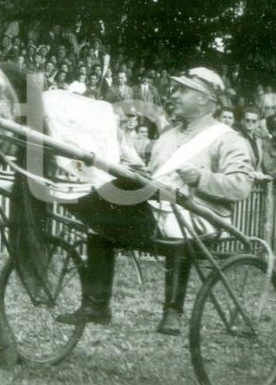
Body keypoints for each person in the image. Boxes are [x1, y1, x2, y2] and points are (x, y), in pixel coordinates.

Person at [57, 67, 253, 336]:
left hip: (201, 218)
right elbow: (156, 177)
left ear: (204, 99)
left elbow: (241, 186)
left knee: (170, 220)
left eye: (183, 90)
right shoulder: (168, 136)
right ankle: (96, 306)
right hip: (159, 212)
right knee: (100, 221)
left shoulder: (228, 139)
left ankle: (173, 310)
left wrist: (201, 177)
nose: (175, 95)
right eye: (176, 89)